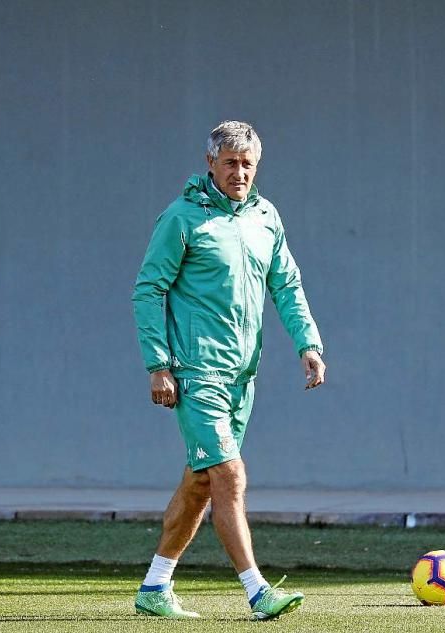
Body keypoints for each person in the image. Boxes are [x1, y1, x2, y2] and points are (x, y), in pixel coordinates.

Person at [131, 121, 326, 620]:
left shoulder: (265, 217)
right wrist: (158, 365)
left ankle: (155, 587)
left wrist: (308, 343)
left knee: (201, 483)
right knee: (230, 475)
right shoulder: (181, 218)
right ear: (210, 164)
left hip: (243, 378)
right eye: (231, 163)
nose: (240, 172)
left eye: (248, 164)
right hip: (195, 373)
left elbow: (287, 284)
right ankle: (258, 592)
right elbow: (148, 290)